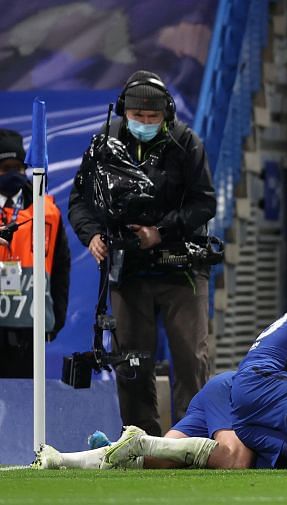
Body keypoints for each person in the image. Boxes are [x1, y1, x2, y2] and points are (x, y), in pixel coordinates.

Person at [33, 304, 287, 471]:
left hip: (237, 391)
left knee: (160, 460)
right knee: (236, 457)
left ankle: (61, 458)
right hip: (243, 393)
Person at [68, 70, 216, 435]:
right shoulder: (103, 144)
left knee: (190, 359)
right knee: (130, 361)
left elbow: (204, 203)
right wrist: (92, 236)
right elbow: (78, 201)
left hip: (181, 267)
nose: (145, 123)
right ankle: (141, 442)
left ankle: (191, 438)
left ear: (166, 114)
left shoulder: (186, 143)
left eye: (153, 118)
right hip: (128, 268)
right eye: (138, 117)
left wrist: (159, 232)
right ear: (123, 112)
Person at [0, 129, 70, 378]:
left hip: (29, 333)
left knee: (26, 409)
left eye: (17, 167)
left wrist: (56, 319)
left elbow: (61, 268)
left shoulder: (47, 212)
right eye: (4, 166)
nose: (11, 173)